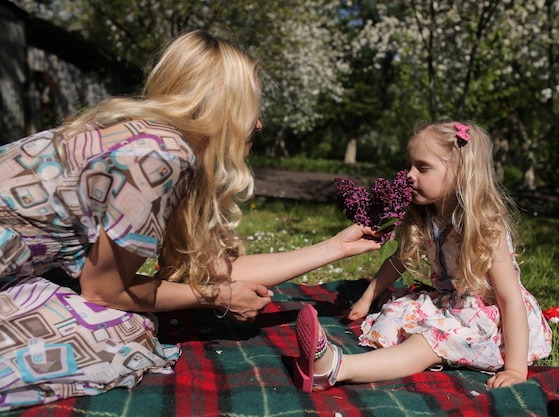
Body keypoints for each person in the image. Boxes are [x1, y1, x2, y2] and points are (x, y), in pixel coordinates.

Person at [0, 30, 381, 411]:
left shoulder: (153, 141)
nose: (259, 123)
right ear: (221, 107)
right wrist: (215, 297)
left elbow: (210, 269)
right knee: (121, 331)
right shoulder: (157, 156)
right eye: (250, 106)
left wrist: (335, 248)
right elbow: (103, 291)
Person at [292, 121, 553, 392]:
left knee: (428, 342)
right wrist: (367, 298)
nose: (408, 175)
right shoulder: (428, 216)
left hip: (491, 316)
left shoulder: (486, 226)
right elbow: (399, 260)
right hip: (452, 302)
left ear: (460, 172)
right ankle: (358, 360)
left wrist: (514, 368)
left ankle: (335, 368)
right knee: (395, 314)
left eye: (423, 167)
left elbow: (509, 299)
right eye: (409, 166)